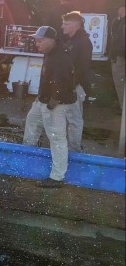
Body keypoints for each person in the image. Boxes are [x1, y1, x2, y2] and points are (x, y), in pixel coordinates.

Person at [23, 26, 76, 188]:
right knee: (32, 122)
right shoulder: (51, 53)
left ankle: (57, 177)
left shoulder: (61, 57)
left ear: (51, 40)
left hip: (55, 103)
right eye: (36, 41)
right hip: (44, 99)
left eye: (40, 41)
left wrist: (52, 103)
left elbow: (64, 82)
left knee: (57, 137)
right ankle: (28, 155)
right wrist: (41, 99)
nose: (36, 44)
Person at [61, 11, 93, 152]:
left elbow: (82, 68)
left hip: (75, 86)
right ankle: (69, 148)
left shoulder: (83, 42)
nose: (62, 26)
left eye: (66, 24)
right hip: (69, 85)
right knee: (69, 119)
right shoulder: (72, 40)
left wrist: (71, 86)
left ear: (76, 25)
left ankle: (74, 150)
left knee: (74, 120)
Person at [110, 6, 125, 111]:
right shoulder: (118, 22)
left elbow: (118, 40)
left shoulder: (119, 23)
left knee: (120, 84)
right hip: (120, 55)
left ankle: (123, 108)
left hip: (120, 57)